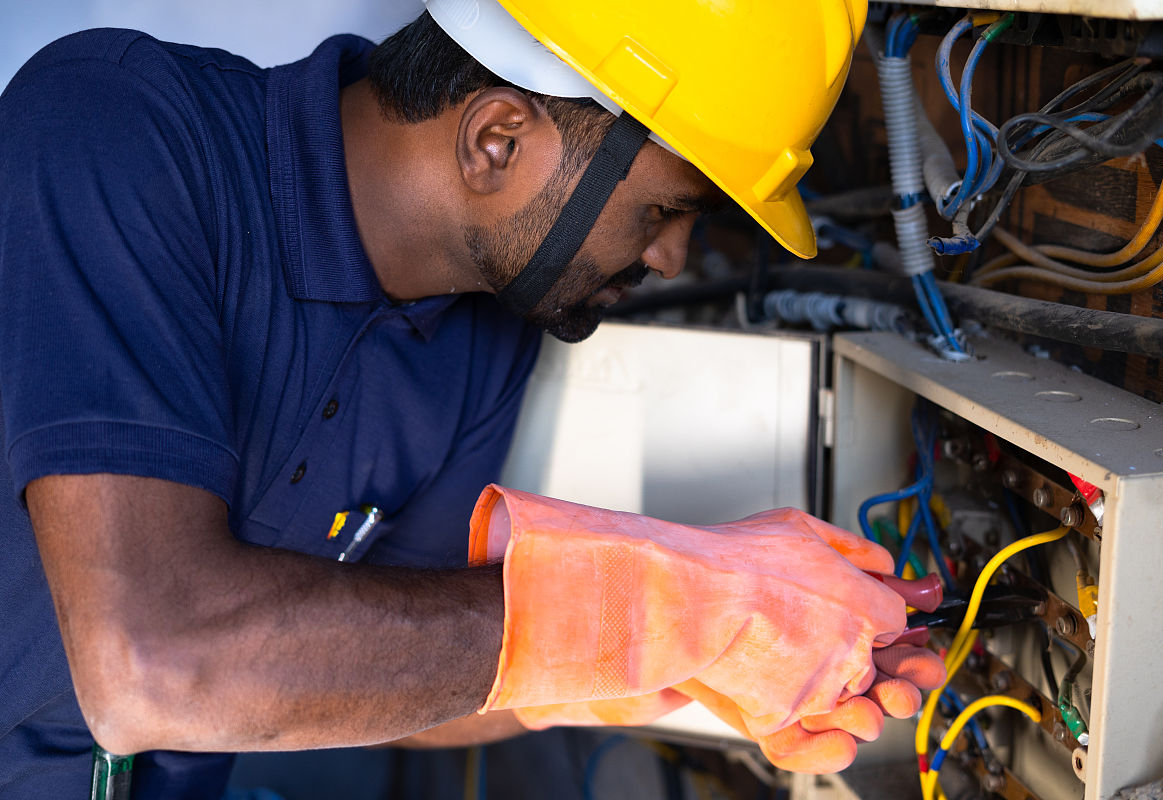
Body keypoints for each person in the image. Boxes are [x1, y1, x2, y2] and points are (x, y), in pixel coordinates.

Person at [0, 0, 945, 797]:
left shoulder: (483, 336)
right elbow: (153, 664)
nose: (670, 258)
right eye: (664, 209)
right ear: (497, 139)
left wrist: (678, 661)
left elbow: (391, 682)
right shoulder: (117, 128)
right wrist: (679, 603)